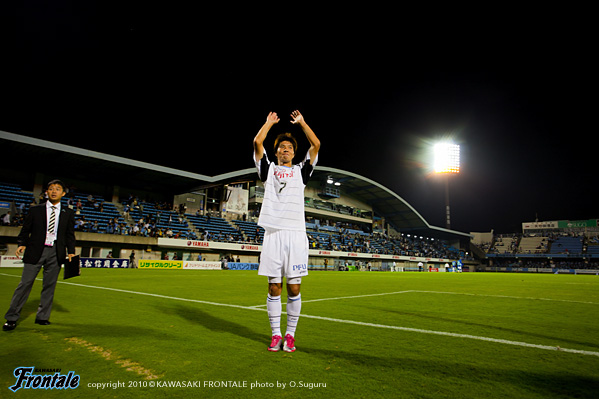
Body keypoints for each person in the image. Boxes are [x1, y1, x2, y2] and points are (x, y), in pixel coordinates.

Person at [253, 110, 320, 352]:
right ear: (276, 152)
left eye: (289, 148)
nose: (285, 150)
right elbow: (257, 142)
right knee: (274, 287)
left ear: (294, 152)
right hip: (273, 233)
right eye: (281, 147)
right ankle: (275, 335)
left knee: (294, 288)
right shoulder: (267, 170)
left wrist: (302, 122)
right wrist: (268, 123)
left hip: (295, 234)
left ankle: (290, 335)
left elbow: (316, 144)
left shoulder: (301, 172)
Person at [3, 180, 76, 331]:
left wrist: (71, 251)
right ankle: (11, 318)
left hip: (56, 252)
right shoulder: (35, 210)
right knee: (25, 284)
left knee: (49, 286)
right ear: (47, 192)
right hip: (35, 250)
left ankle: (42, 317)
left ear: (63, 193)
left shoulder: (68, 212)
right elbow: (25, 230)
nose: (54, 191)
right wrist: (22, 243)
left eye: (57, 189)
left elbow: (70, 235)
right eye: (51, 189)